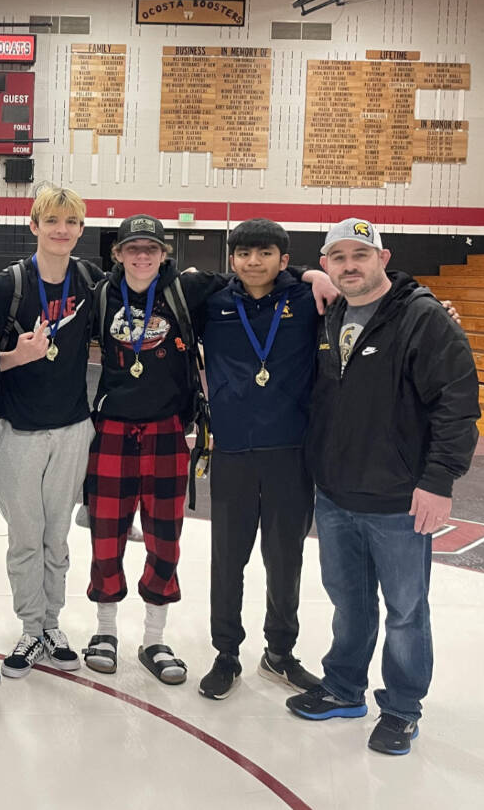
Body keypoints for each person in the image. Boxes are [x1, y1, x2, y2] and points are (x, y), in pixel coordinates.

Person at [81, 214, 334, 686]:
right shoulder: (98, 293)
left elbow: (257, 273)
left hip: (171, 432)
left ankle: (155, 639)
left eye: (151, 249)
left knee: (165, 541)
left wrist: (311, 273)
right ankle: (105, 632)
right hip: (115, 429)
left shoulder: (191, 291)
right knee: (105, 537)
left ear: (164, 254)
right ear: (116, 254)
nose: (142, 256)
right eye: (132, 248)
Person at [287, 217, 479, 756]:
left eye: (360, 256)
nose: (350, 266)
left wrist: (439, 481)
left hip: (399, 499)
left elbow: (458, 406)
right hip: (337, 493)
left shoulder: (424, 319)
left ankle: (401, 709)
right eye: (339, 258)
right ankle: (345, 688)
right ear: (327, 265)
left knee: (406, 611)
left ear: (383, 258)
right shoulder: (332, 314)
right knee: (348, 603)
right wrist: (306, 277)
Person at [196, 219, 322, 700]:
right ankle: (226, 652)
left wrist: (317, 275)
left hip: (290, 452)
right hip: (232, 452)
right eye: (244, 252)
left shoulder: (309, 300)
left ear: (284, 259)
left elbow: (379, 293)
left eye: (265, 252)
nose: (254, 261)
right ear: (231, 258)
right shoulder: (214, 302)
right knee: (227, 559)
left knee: (284, 559)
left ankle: (280, 653)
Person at [0, 185, 103, 679]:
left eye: (71, 222)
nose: (61, 230)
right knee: (26, 539)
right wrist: (18, 357)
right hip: (18, 431)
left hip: (73, 429)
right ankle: (30, 628)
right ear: (34, 226)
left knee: (57, 539)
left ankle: (53, 624)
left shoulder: (93, 282)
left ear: (80, 229)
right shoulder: (6, 286)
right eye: (52, 221)